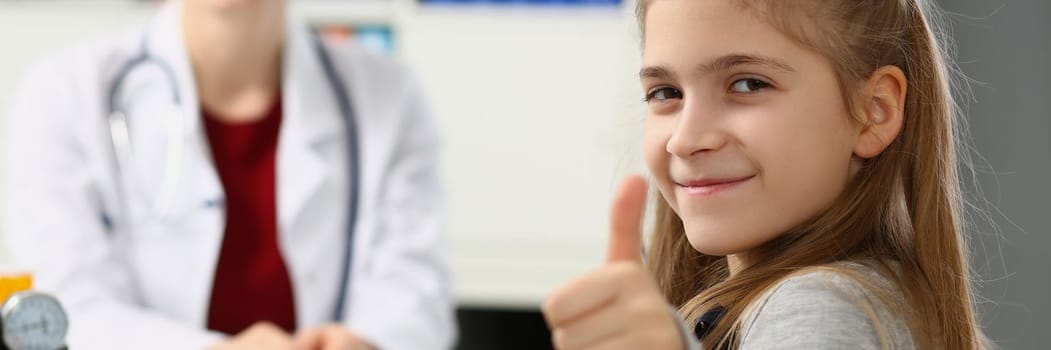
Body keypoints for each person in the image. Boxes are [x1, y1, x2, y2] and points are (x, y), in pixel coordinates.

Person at [2, 0, 454, 349]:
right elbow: (65, 306)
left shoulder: (390, 96)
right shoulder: (64, 94)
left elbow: (416, 294)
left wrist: (367, 341)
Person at [543, 0, 988, 349]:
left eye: (748, 84)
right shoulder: (876, 296)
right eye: (666, 93)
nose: (685, 138)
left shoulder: (816, 305)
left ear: (874, 112)